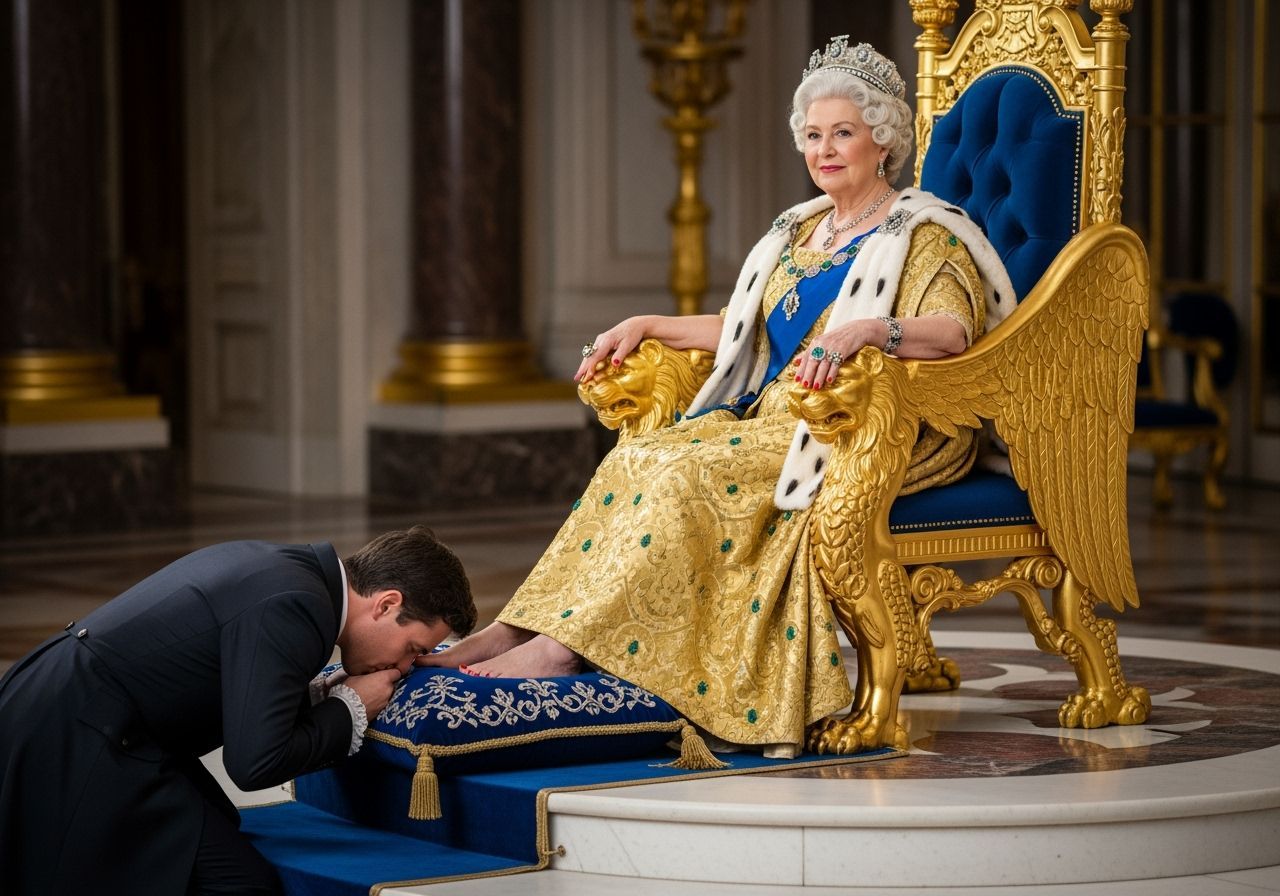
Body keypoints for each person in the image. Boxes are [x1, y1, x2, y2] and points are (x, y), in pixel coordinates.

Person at [424, 38, 1014, 756]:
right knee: (640, 457)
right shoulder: (798, 231)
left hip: (861, 429)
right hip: (772, 419)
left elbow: (953, 334)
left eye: (844, 134)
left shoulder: (922, 234)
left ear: (882, 141)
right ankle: (523, 629)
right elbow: (746, 332)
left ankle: (564, 653)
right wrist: (647, 324)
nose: (825, 150)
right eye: (814, 135)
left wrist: (865, 331)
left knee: (681, 473)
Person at [0, 525, 475, 896]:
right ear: (387, 603)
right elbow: (254, 763)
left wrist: (320, 697)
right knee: (236, 881)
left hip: (72, 710)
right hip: (77, 734)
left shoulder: (293, 576)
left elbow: (237, 689)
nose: (407, 665)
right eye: (414, 647)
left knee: (216, 829)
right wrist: (351, 707)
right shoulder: (297, 605)